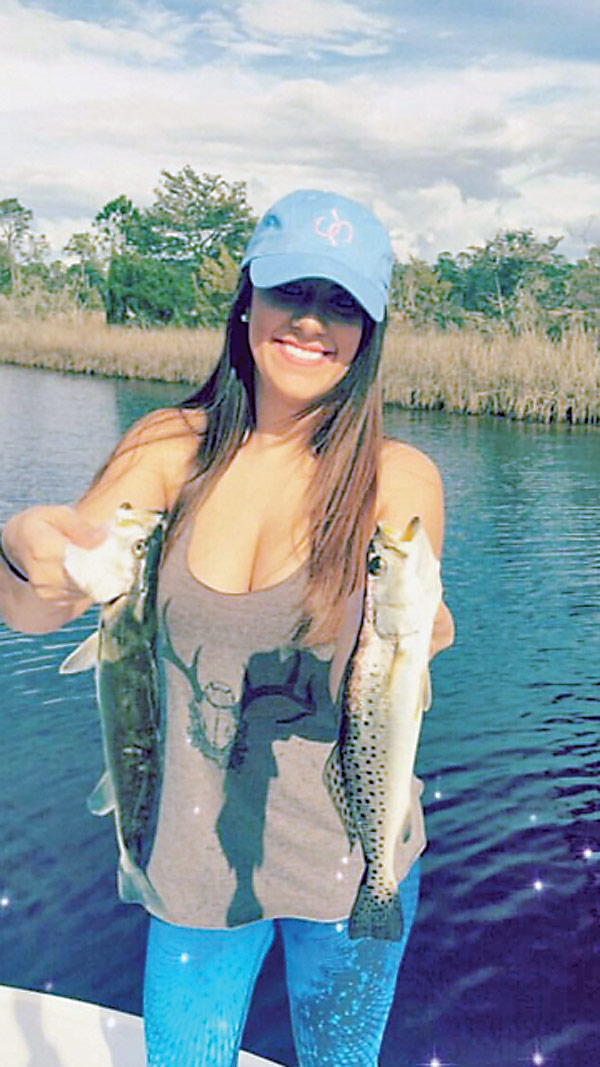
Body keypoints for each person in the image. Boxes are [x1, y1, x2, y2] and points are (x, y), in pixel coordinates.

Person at [0, 189, 454, 1067]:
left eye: (343, 305)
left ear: (370, 331)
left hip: (349, 856)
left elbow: (414, 622)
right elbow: (35, 607)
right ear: (248, 295)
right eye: (292, 292)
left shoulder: (397, 476)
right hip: (192, 858)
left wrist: (421, 627)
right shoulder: (168, 446)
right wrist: (24, 551)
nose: (312, 324)